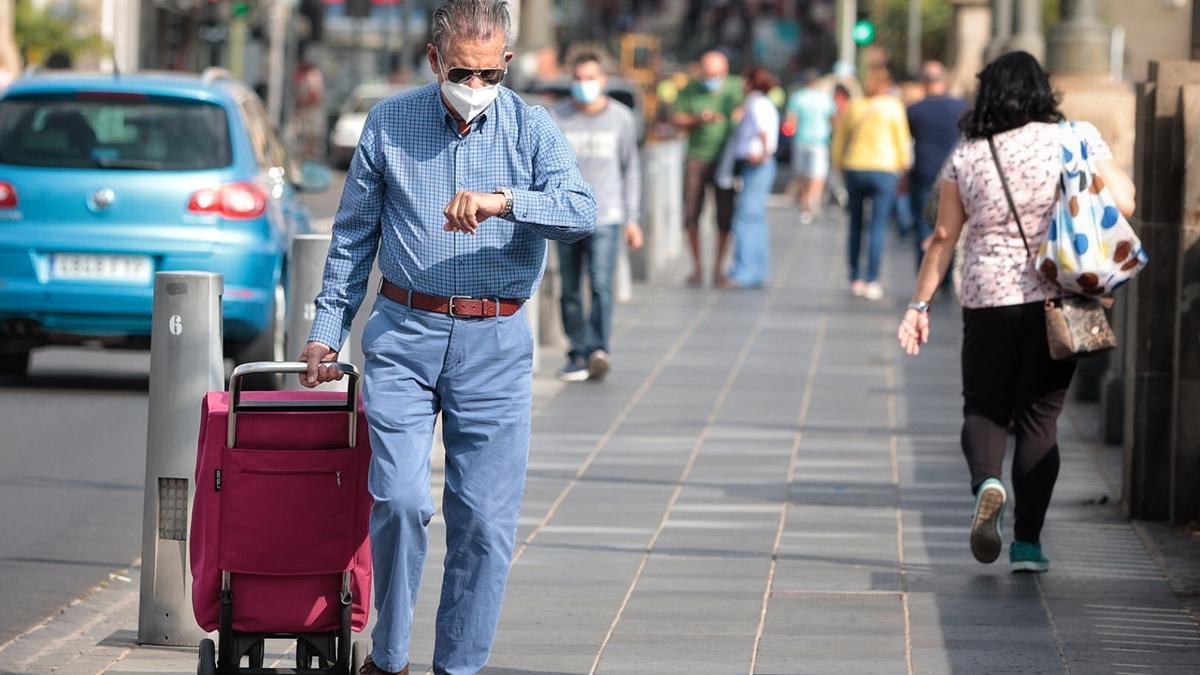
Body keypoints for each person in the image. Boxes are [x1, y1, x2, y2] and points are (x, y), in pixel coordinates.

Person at [299, 2, 597, 673]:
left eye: (490, 73)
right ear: (435, 61)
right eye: (462, 72)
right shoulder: (389, 122)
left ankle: (458, 665)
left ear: (507, 64)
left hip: (496, 340)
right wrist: (327, 331)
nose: (476, 85)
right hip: (405, 332)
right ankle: (390, 656)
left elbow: (582, 211)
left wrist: (506, 201)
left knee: (485, 521)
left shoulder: (532, 128)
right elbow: (353, 236)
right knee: (401, 500)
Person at [897, 51, 1135, 574]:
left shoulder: (969, 152)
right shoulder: (1075, 137)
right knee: (1039, 419)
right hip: (1058, 295)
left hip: (987, 296)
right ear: (1042, 90)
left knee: (983, 406)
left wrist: (919, 304)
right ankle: (1027, 544)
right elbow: (1125, 201)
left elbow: (944, 235)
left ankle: (987, 481)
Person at [550, 53, 643, 382]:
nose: (583, 84)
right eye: (577, 78)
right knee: (570, 287)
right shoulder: (557, 116)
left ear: (603, 80)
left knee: (601, 283)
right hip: (566, 215)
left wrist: (632, 218)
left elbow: (631, 169)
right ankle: (577, 352)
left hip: (607, 214)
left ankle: (599, 349)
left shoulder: (621, 118)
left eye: (589, 78)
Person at [831, 66, 912, 301]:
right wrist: (904, 167)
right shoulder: (893, 107)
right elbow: (902, 140)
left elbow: (840, 139)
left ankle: (854, 276)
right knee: (878, 225)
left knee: (856, 223)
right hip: (884, 168)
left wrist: (839, 165)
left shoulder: (855, 105)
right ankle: (871, 279)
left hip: (855, 167)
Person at [673, 50, 743, 287]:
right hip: (696, 157)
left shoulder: (736, 87)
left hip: (725, 158)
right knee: (691, 214)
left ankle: (718, 269)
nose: (711, 79)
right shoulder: (690, 89)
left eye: (716, 74)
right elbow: (677, 118)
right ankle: (697, 268)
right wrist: (698, 118)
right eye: (708, 74)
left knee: (725, 216)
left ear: (725, 72)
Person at [906, 60, 967, 271]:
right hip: (955, 173)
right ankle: (946, 274)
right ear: (944, 80)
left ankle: (924, 271)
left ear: (923, 82)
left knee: (924, 224)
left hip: (925, 171)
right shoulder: (962, 108)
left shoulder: (914, 110)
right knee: (952, 224)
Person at [723, 65, 780, 289]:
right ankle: (757, 269)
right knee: (755, 218)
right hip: (757, 165)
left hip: (757, 165)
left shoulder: (757, 104)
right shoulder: (761, 103)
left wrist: (763, 154)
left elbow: (764, 132)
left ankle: (744, 270)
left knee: (745, 219)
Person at [785, 70, 836, 224]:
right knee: (818, 174)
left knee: (803, 174)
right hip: (820, 140)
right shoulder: (825, 99)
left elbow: (791, 121)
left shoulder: (797, 97)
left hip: (801, 139)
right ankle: (815, 199)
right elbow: (833, 119)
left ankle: (804, 202)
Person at [293, 56, 325, 160]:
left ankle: (309, 158)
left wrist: (304, 103)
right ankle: (307, 157)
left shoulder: (313, 75)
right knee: (305, 137)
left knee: (310, 137)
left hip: (311, 110)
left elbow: (315, 95)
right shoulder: (305, 75)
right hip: (306, 110)